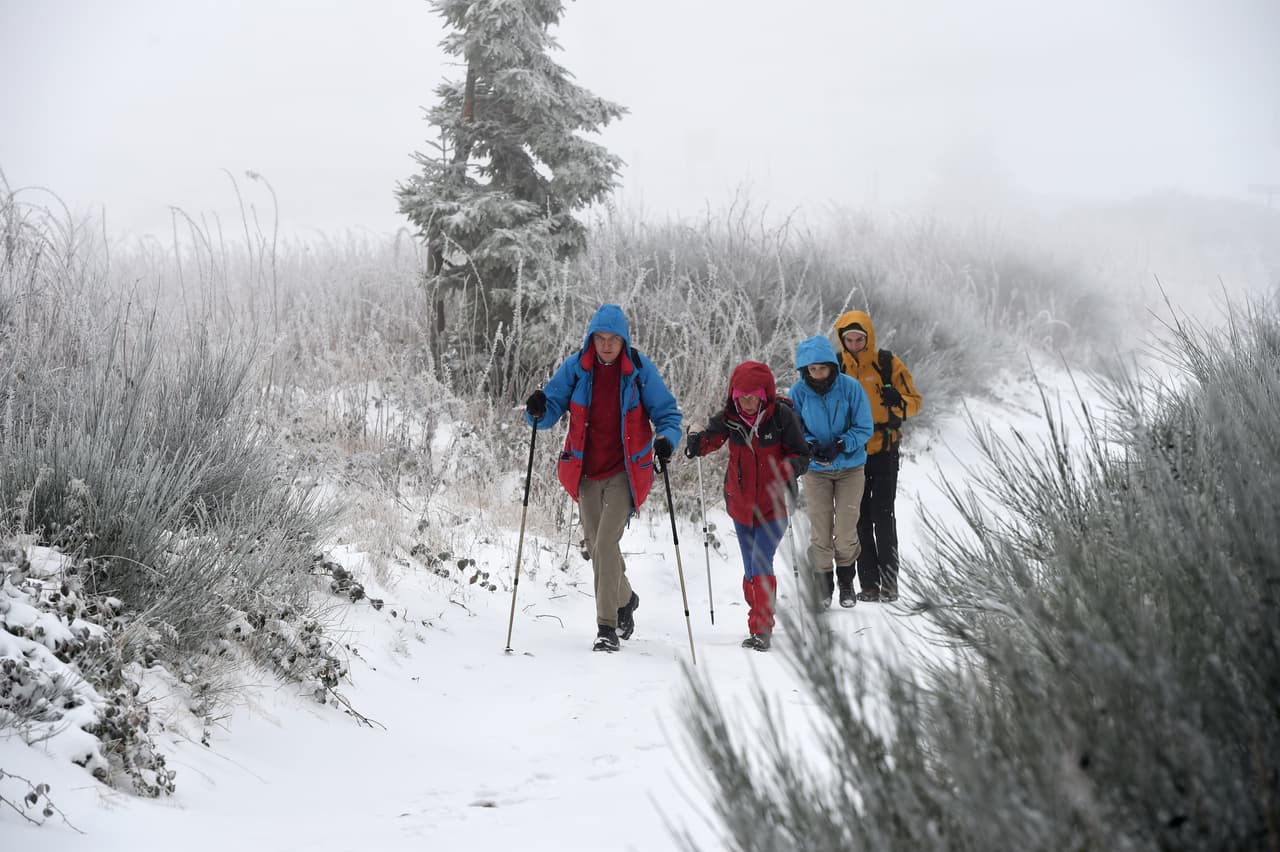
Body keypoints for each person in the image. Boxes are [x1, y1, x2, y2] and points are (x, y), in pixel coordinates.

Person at [524, 304, 682, 652]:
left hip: (625, 472)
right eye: (600, 338)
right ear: (591, 339)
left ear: (624, 341)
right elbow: (549, 407)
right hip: (585, 471)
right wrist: (536, 408)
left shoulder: (639, 371)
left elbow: (668, 414)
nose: (607, 345)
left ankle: (606, 627)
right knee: (597, 549)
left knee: (605, 543)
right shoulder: (577, 369)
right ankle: (626, 599)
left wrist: (666, 441)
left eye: (613, 339)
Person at [683, 362, 809, 651]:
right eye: (742, 397)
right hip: (741, 506)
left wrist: (790, 466)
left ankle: (761, 629)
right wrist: (694, 441)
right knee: (751, 568)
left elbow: (802, 453)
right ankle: (758, 617)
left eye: (753, 397)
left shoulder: (782, 419)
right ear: (733, 395)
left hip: (775, 505)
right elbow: (707, 442)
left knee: (761, 560)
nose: (748, 403)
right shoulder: (729, 419)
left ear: (765, 395)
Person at [833, 310, 922, 602]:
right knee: (859, 518)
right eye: (850, 340)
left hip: (885, 449)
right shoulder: (836, 367)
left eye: (860, 339)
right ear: (842, 341)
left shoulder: (887, 363)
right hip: (852, 453)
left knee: (883, 515)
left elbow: (915, 404)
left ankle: (889, 583)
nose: (855, 344)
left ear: (868, 337)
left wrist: (897, 403)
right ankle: (868, 585)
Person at [787, 335, 874, 609]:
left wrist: (841, 444)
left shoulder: (851, 388)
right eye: (811, 369)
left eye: (821, 368)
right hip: (816, 471)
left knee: (846, 529)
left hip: (850, 467)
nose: (817, 373)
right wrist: (810, 446)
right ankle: (824, 587)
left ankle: (847, 581)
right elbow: (796, 428)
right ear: (804, 370)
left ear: (831, 366)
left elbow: (864, 427)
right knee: (820, 530)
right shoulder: (798, 393)